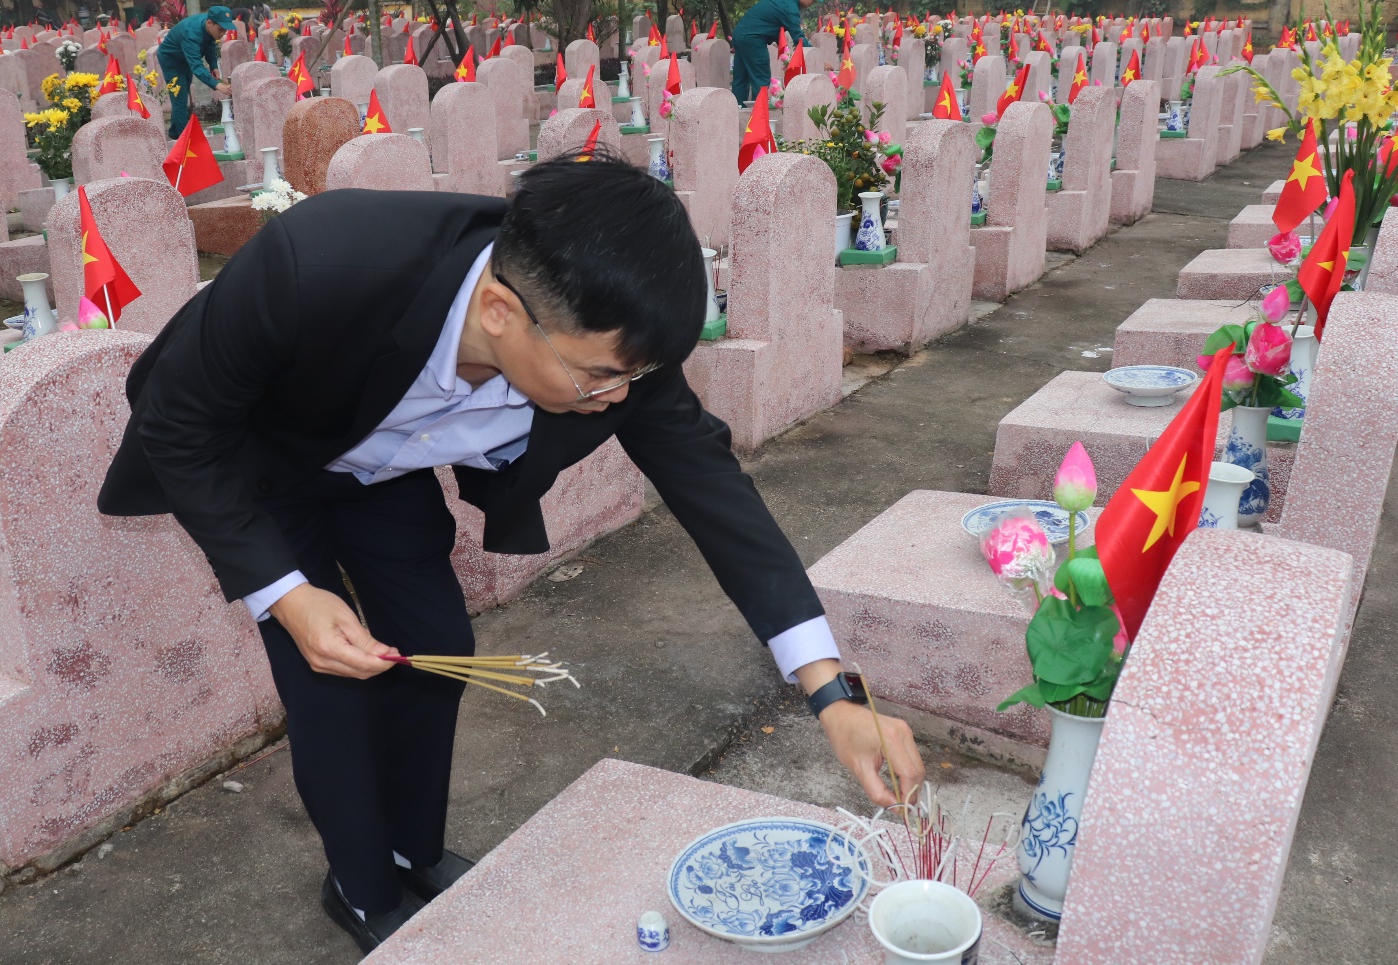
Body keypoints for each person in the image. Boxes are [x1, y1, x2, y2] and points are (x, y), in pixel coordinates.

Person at [96, 150, 925, 952]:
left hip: (383, 468)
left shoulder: (610, 340)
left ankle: (411, 852)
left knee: (438, 650)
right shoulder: (324, 259)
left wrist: (833, 693)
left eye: (630, 378)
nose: (618, 399)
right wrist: (284, 591)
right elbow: (178, 423)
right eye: (600, 378)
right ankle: (360, 886)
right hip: (266, 460)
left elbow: (714, 491)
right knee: (330, 683)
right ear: (500, 311)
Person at [731, 0, 822, 106]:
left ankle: (738, 110)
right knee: (761, 78)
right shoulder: (790, 8)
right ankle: (760, 116)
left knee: (741, 78)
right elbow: (799, 39)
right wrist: (817, 56)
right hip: (753, 38)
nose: (813, 2)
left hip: (740, 33)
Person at [156, 3, 234, 139]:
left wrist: (213, 65)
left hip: (184, 57)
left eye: (225, 31)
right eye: (221, 30)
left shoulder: (209, 26)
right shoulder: (191, 33)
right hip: (171, 59)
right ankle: (185, 140)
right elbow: (197, 66)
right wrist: (217, 85)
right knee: (179, 96)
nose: (222, 34)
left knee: (182, 93)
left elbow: (209, 42)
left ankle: (175, 133)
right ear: (210, 23)